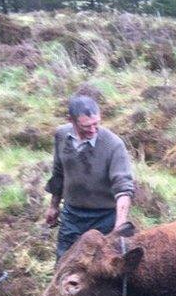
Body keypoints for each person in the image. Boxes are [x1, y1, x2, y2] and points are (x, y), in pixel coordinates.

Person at [45, 95, 134, 259]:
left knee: (100, 270)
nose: (93, 130)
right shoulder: (61, 135)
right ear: (71, 120)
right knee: (64, 262)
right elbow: (58, 173)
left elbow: (123, 188)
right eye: (86, 126)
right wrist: (54, 206)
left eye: (96, 124)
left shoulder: (114, 145)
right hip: (72, 215)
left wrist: (119, 225)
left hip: (105, 217)